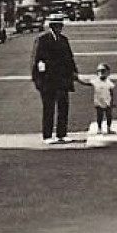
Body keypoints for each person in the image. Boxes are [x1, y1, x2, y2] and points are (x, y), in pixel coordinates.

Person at [31, 13, 79, 144]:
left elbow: (69, 58)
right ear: (52, 26)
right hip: (48, 79)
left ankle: (62, 134)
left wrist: (74, 73)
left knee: (63, 106)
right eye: (57, 26)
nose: (59, 28)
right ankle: (47, 135)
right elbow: (37, 60)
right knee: (49, 108)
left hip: (63, 79)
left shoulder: (64, 40)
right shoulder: (43, 39)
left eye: (61, 25)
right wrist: (38, 80)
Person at [78, 62, 117, 134]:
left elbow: (111, 92)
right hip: (98, 101)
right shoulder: (96, 81)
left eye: (103, 71)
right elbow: (87, 83)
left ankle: (109, 128)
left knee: (109, 115)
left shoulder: (109, 82)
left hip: (107, 101)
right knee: (100, 116)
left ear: (107, 72)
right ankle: (99, 128)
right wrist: (78, 80)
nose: (101, 73)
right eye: (99, 71)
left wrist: (112, 102)